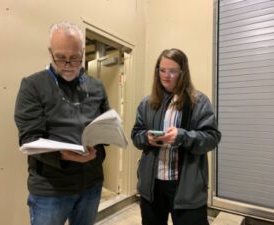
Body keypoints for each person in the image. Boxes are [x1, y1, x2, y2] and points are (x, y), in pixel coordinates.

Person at [14, 21, 110, 225]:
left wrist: (105, 138)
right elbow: (29, 138)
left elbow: (106, 125)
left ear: (83, 53)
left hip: (91, 183)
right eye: (61, 58)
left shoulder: (96, 86)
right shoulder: (33, 86)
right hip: (50, 189)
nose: (68, 65)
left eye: (75, 58)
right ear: (50, 53)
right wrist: (64, 156)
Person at [131, 48, 221, 225]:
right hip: (153, 187)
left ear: (183, 73)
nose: (166, 76)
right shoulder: (146, 103)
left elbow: (212, 138)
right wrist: (147, 138)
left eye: (172, 71)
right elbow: (136, 135)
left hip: (187, 188)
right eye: (162, 70)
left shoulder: (199, 101)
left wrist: (182, 136)